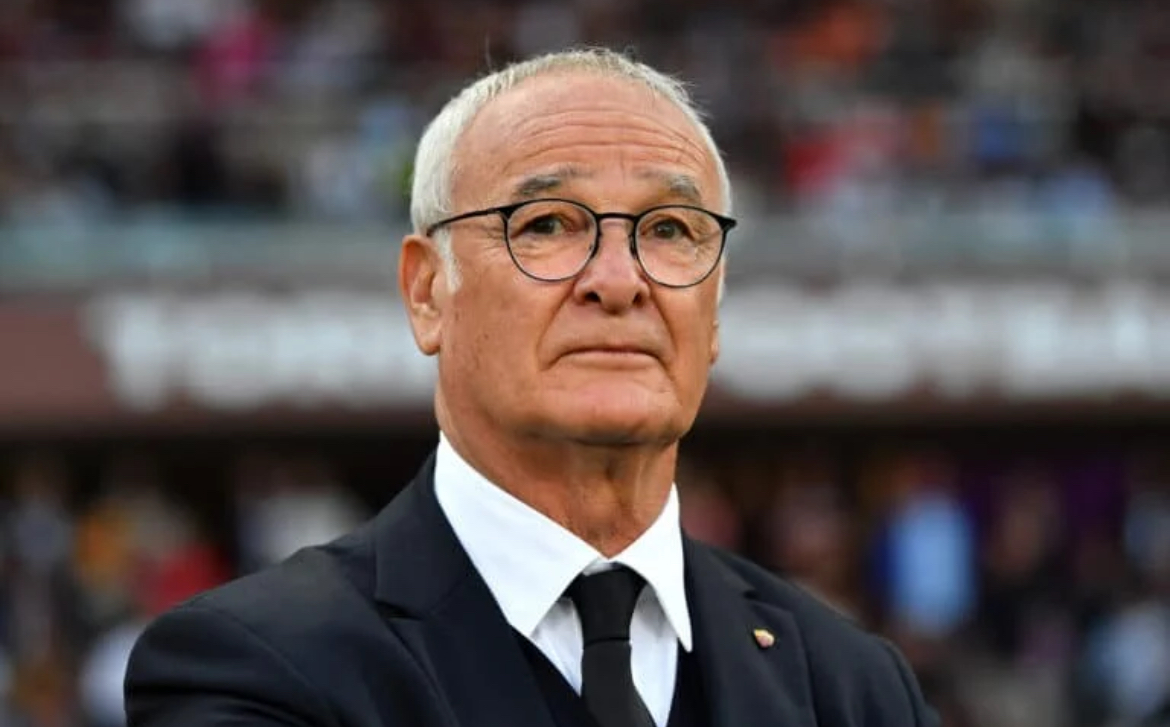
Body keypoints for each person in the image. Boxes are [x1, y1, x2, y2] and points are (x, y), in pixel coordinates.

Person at [124, 47, 939, 727]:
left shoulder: (855, 687)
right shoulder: (253, 665)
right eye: (547, 224)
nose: (618, 280)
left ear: (715, 310)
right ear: (427, 292)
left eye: (669, 230)